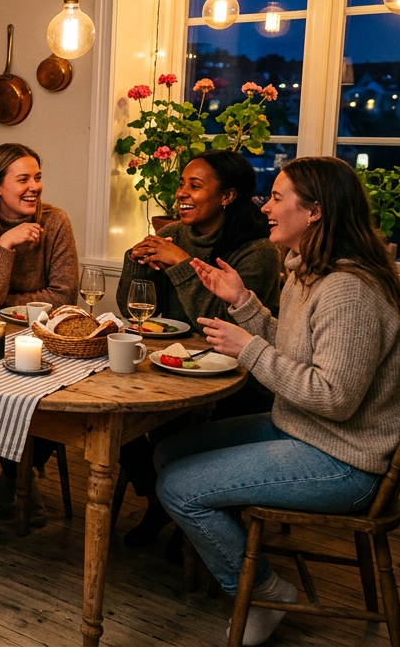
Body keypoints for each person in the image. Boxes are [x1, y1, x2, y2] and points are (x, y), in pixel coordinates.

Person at [154, 157, 400, 646]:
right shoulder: (306, 271)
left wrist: (247, 348)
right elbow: (296, 347)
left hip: (345, 461)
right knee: (169, 452)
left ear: (314, 212)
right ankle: (237, 555)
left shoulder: (347, 289)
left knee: (178, 485)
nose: (266, 206)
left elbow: (334, 398)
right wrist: (242, 303)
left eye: (277, 197)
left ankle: (263, 590)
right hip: (302, 430)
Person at [114, 151, 284, 548]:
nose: (181, 194)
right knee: (118, 420)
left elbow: (218, 322)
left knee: (184, 425)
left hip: (243, 378)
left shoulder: (256, 250)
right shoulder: (175, 233)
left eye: (195, 185)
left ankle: (186, 511)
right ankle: (164, 503)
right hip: (173, 363)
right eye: (181, 185)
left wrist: (180, 263)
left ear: (227, 196)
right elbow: (135, 311)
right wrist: (137, 262)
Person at [0, 143, 78, 521]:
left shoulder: (55, 222)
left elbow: (63, 295)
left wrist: (11, 301)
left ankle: (19, 474)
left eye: (37, 178)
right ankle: (19, 477)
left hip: (44, 342)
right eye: (23, 178)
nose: (34, 187)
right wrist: (5, 245)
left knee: (49, 397)